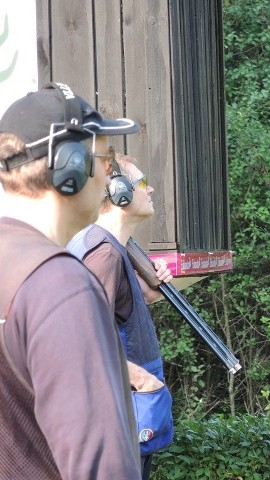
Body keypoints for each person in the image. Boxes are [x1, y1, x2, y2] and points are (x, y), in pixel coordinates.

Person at [0, 82, 142, 478]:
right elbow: (101, 467)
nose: (108, 175)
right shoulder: (60, 285)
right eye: (103, 157)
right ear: (71, 165)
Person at [68, 153, 174, 480]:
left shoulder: (110, 247)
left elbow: (117, 314)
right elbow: (83, 342)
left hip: (123, 410)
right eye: (142, 182)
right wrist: (143, 381)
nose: (152, 189)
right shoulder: (103, 254)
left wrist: (149, 288)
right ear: (117, 191)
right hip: (116, 413)